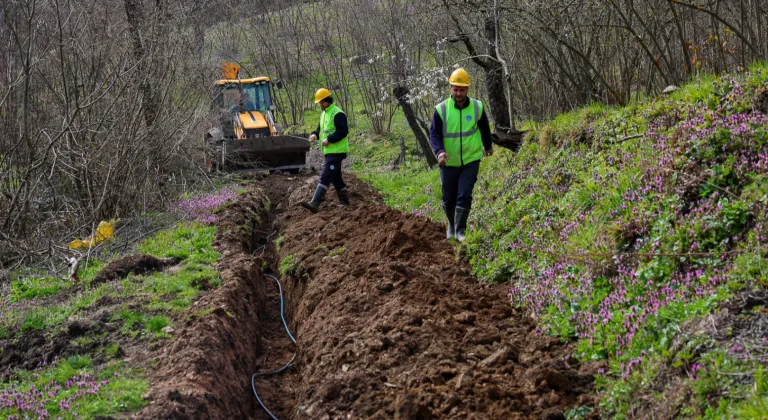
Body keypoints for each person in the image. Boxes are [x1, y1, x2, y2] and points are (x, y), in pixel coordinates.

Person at [429, 68, 493, 242]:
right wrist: (440, 151)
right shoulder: (441, 109)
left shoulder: (477, 107)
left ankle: (460, 231)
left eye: (462, 89)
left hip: (471, 160)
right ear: (450, 88)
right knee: (448, 197)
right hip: (448, 161)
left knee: (464, 194)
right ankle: (451, 225)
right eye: (455, 89)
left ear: (468, 89)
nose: (459, 93)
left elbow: (485, 128)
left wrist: (488, 146)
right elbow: (434, 134)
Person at [301, 88, 350, 213]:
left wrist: (329, 139)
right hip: (329, 151)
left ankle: (315, 203)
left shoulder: (337, 113)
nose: (320, 105)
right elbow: (320, 129)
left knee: (326, 174)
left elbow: (343, 131)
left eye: (322, 102)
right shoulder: (324, 114)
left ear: (328, 100)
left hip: (337, 151)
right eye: (320, 103)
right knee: (335, 178)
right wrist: (314, 135)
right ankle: (345, 203)